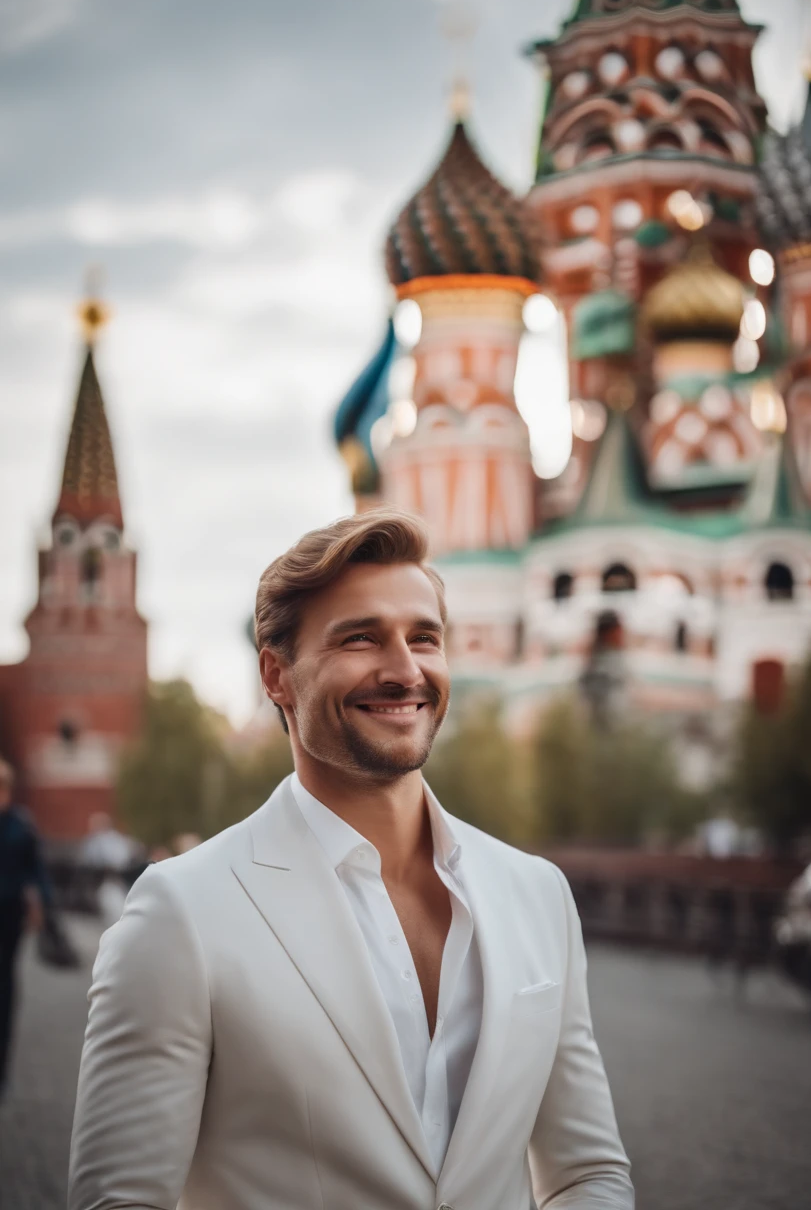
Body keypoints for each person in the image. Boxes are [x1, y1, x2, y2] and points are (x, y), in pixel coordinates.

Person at [69, 510, 633, 1210]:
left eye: (424, 637)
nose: (404, 671)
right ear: (277, 676)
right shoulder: (179, 913)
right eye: (360, 638)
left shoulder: (537, 893)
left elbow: (588, 1173)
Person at [0, 757, 52, 1099]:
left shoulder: (21, 825)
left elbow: (37, 872)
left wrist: (40, 905)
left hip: (8, 917)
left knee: (4, 985)